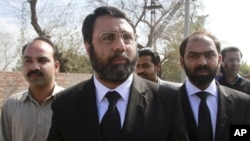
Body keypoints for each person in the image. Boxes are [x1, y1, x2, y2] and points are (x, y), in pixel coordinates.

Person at [46, 6, 189, 141]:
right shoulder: (65, 104)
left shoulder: (166, 100)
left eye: (127, 37)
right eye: (108, 37)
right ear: (88, 47)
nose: (120, 46)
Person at [179, 31, 250, 141]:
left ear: (219, 60)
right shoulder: (165, 103)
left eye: (209, 55)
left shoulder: (242, 103)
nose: (202, 62)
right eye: (193, 56)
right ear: (182, 61)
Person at [0, 36, 65, 141]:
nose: (34, 67)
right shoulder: (11, 105)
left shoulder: (72, 103)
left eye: (42, 60)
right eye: (28, 60)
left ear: (56, 66)